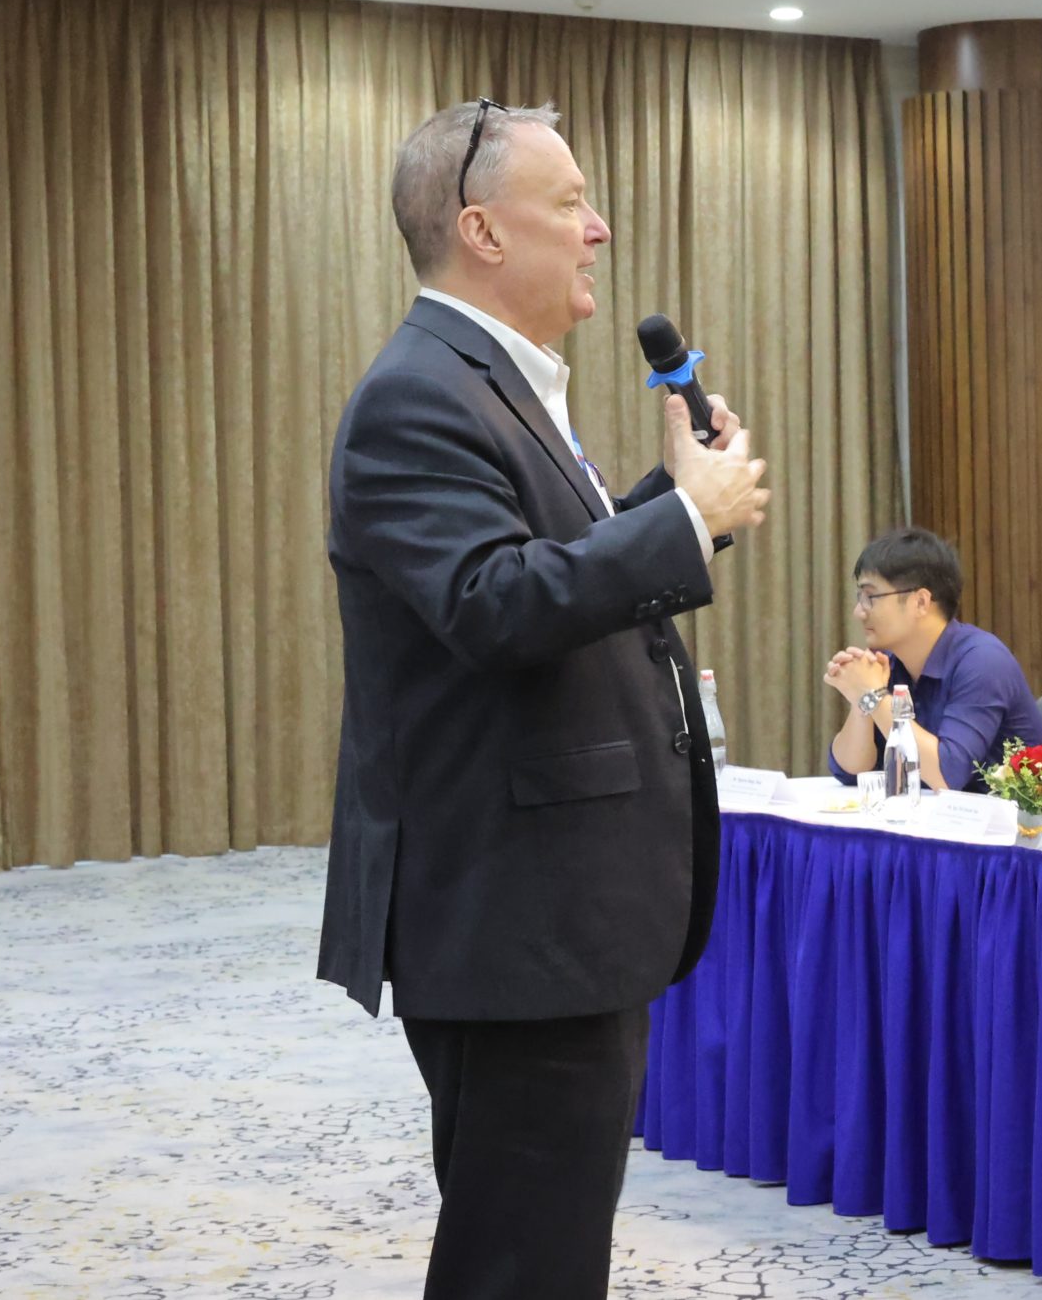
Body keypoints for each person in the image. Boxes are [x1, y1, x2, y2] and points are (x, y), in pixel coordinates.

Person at [323, 100, 771, 1299]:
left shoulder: (494, 383)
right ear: (482, 231)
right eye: (570, 204)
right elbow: (490, 604)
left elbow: (545, 569)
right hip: (513, 914)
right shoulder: (420, 394)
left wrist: (673, 505)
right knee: (521, 1260)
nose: (599, 229)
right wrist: (683, 522)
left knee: (541, 1249)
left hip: (550, 906)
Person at [826, 528, 1042, 793]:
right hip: (940, 815)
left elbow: (947, 775)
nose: (859, 611)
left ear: (921, 602)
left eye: (870, 597)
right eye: (860, 598)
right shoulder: (888, 663)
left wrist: (873, 695)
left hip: (1022, 817)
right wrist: (862, 701)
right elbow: (852, 772)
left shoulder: (983, 661)